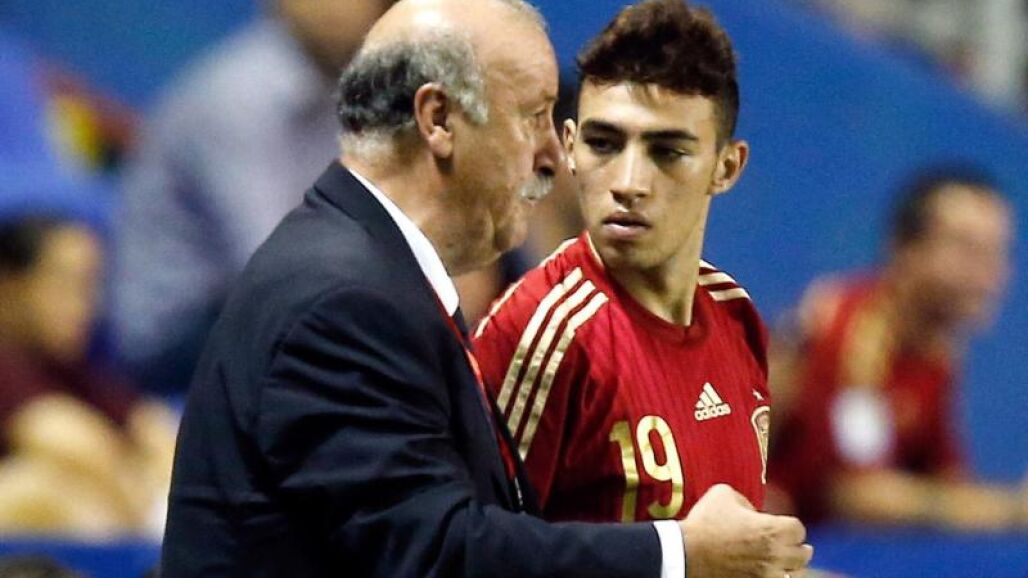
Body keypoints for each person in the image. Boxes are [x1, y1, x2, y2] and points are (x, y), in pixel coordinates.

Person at [161, 1, 813, 577]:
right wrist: (680, 557)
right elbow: (436, 556)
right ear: (438, 119)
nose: (552, 158)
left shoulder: (368, 275)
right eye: (533, 117)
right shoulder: (343, 301)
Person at [473, 0, 771, 525]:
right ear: (568, 148)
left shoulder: (736, 315)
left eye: (667, 152)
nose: (629, 183)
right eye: (604, 144)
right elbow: (471, 549)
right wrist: (679, 557)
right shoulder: (542, 334)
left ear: (726, 167)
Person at [113, 0, 396, 390]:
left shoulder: (345, 85)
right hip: (179, 336)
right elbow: (272, 265)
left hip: (271, 302)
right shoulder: (235, 97)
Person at [767, 167, 1028, 529]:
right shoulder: (850, 332)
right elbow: (856, 494)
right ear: (904, 249)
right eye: (966, 249)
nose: (987, 274)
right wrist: (1010, 510)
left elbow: (945, 484)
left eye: (997, 252)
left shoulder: (936, 353)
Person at [0, 216, 177, 538]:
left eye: (91, 286)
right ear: (9, 287)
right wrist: (137, 497)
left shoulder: (77, 370)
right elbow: (66, 442)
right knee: (36, 488)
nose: (85, 305)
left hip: (123, 518)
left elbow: (155, 430)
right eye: (65, 284)